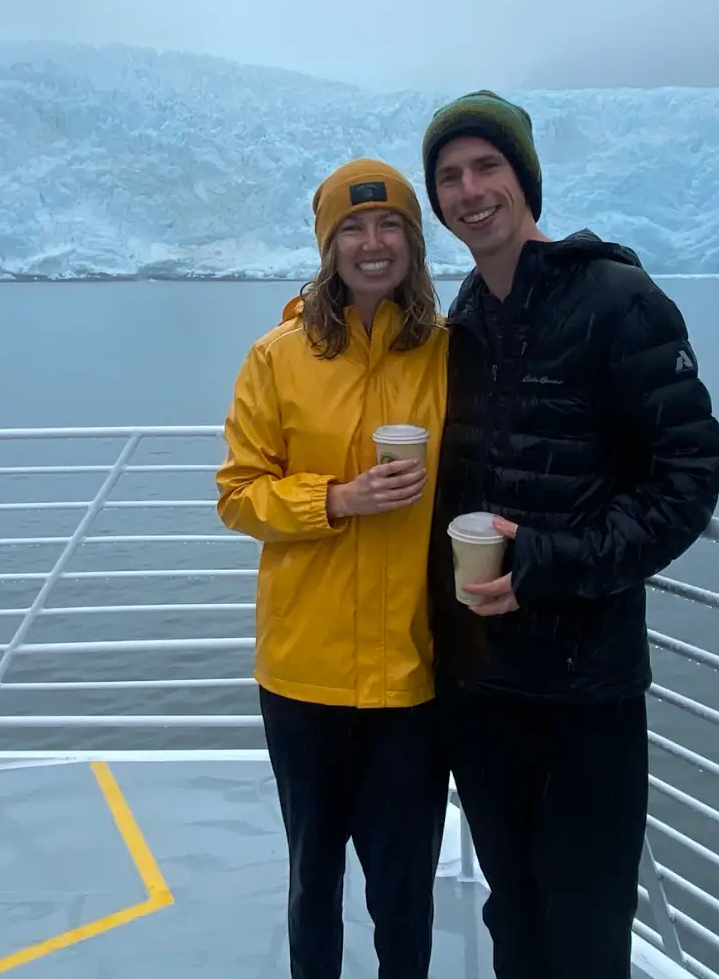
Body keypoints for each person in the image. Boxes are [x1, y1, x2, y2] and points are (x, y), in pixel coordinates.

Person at [420, 90, 719, 979]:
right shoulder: (467, 320)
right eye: (449, 176)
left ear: (525, 180)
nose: (470, 190)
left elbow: (689, 477)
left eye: (487, 168)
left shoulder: (617, 300)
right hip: (482, 682)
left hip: (583, 686)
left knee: (587, 928)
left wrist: (550, 563)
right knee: (513, 912)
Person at [216, 157, 451, 979]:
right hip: (303, 674)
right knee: (312, 880)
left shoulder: (449, 355)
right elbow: (239, 496)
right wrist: (338, 500)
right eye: (352, 228)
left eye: (390, 225)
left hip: (412, 674)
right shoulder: (276, 359)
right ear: (327, 245)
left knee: (405, 890)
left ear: (415, 243)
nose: (372, 243)